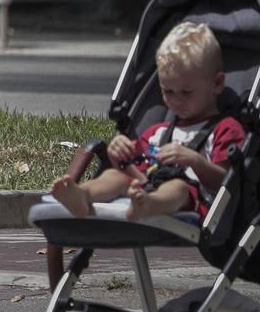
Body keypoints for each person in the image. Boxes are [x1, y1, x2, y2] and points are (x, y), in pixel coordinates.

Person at [50, 21, 245, 221]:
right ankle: (82, 196)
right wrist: (119, 156)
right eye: (168, 92)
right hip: (146, 187)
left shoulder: (226, 129)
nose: (176, 101)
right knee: (115, 177)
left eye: (186, 93)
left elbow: (228, 181)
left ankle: (149, 205)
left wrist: (196, 161)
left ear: (217, 84)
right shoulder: (158, 132)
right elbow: (134, 170)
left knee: (177, 187)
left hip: (195, 199)